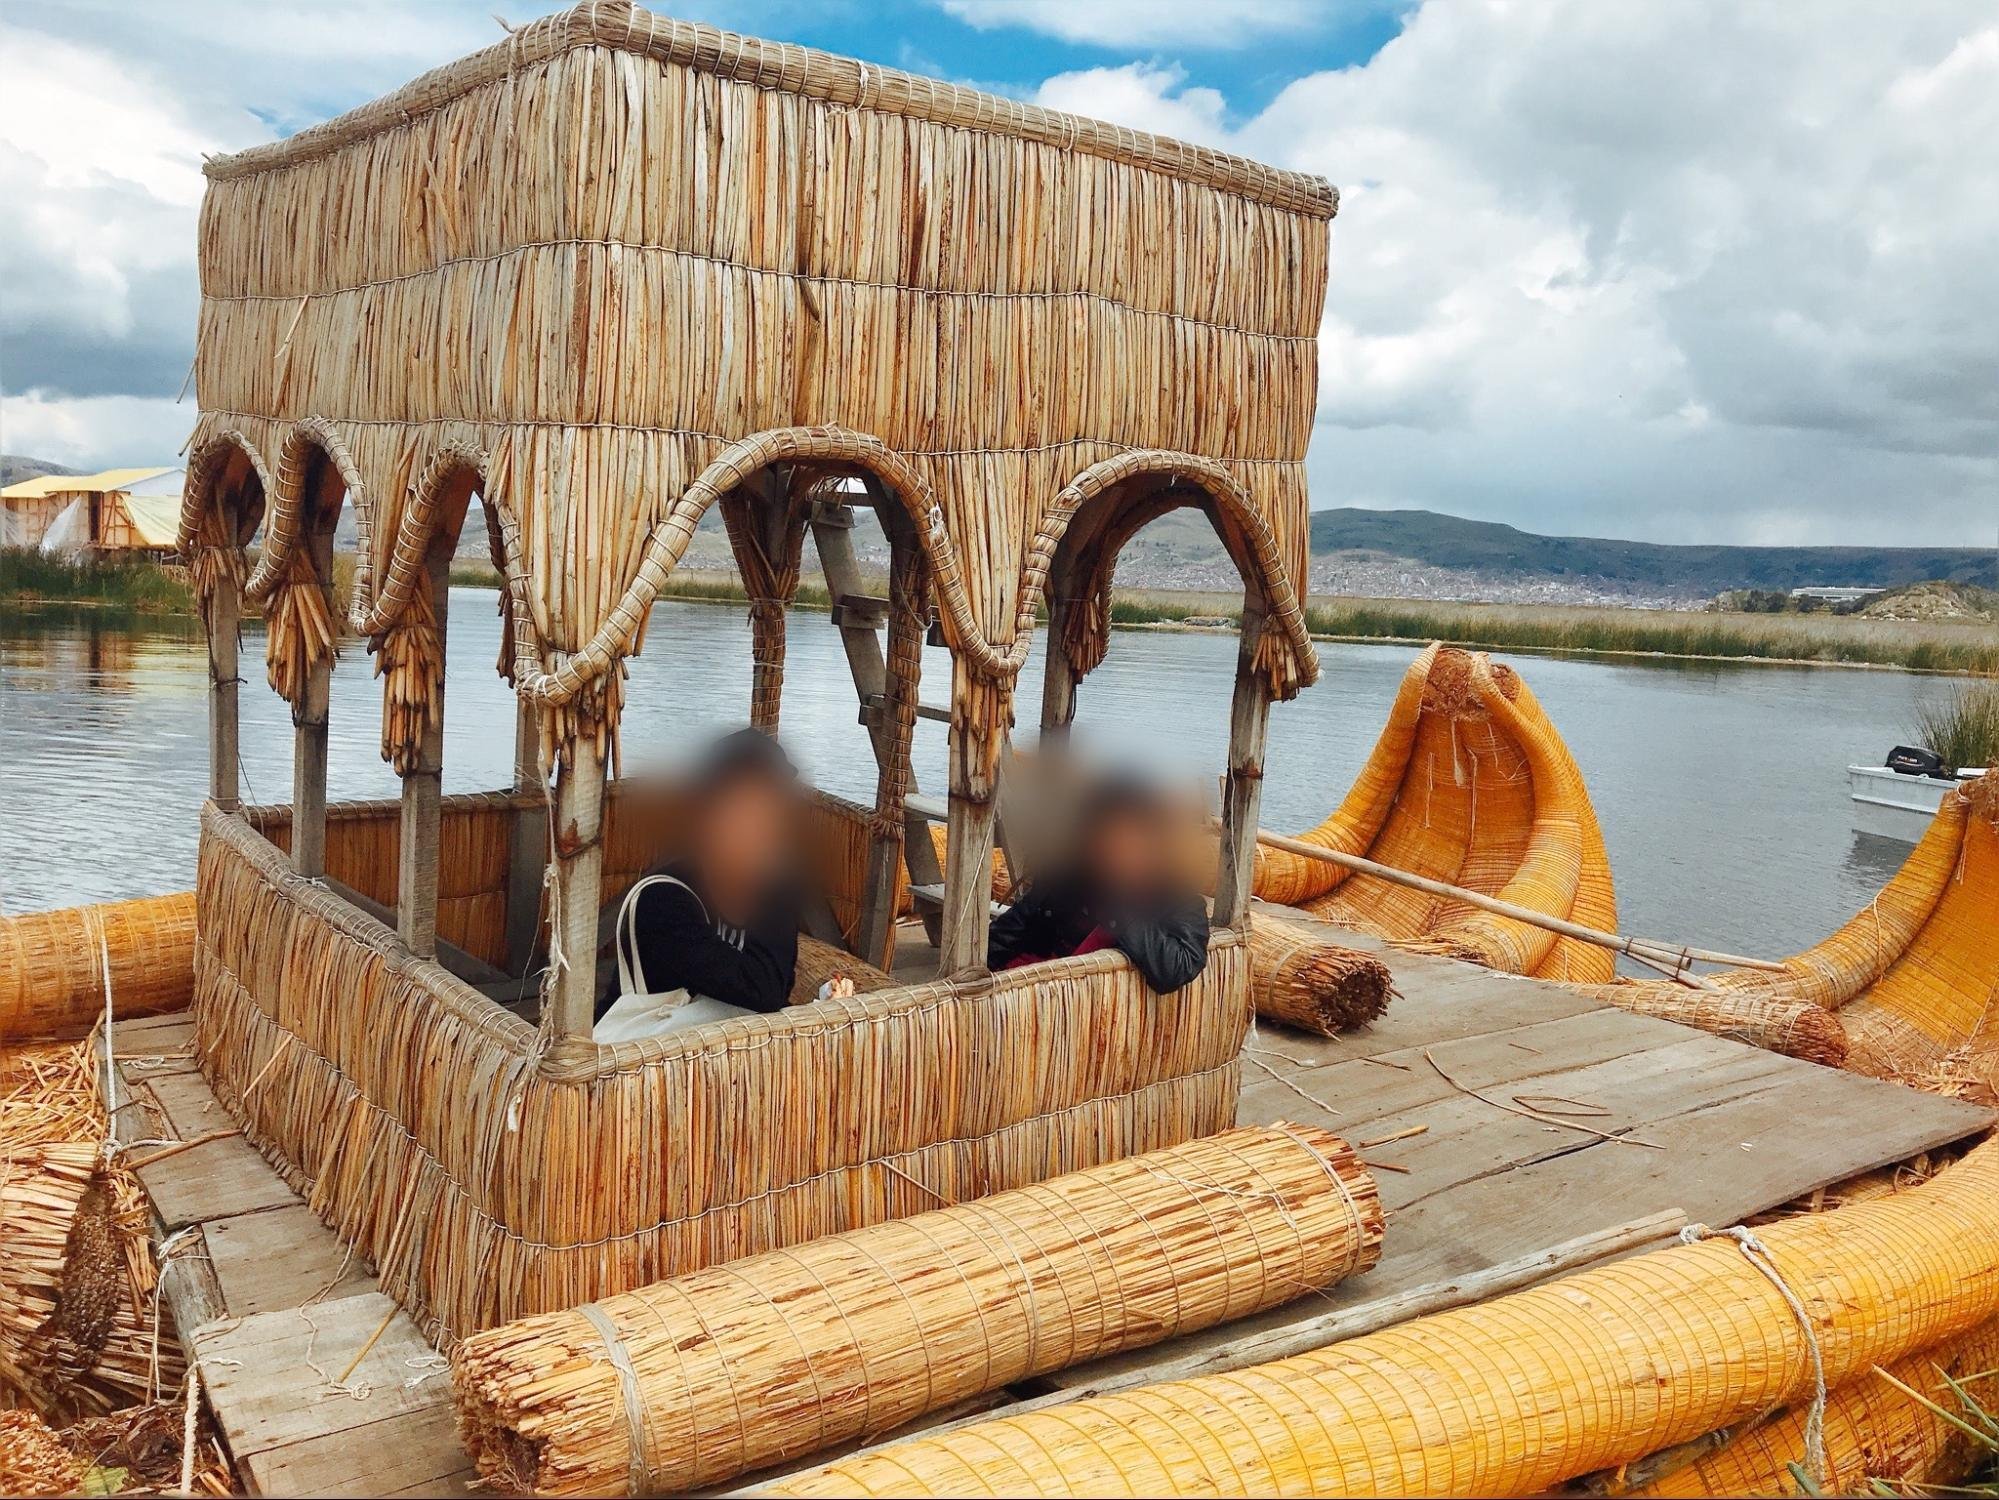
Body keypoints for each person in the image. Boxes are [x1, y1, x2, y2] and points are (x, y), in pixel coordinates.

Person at [595, 728, 806, 1039]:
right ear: (705, 819)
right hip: (638, 1068)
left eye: (768, 812)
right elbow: (762, 991)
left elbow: (775, 984)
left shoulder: (774, 891)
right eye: (741, 812)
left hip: (724, 1069)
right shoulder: (663, 900)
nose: (757, 828)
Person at [986, 774, 1209, 993]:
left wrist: (1119, 912)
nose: (1118, 848)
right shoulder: (1064, 883)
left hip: (1109, 1016)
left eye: (1131, 838)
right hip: (1040, 1002)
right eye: (1108, 836)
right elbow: (1005, 935)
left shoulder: (1174, 900)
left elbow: (1177, 968)